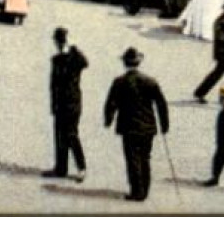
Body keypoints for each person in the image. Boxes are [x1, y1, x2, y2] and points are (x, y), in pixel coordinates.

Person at [104, 47, 170, 202]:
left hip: (129, 127)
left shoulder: (120, 82)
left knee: (132, 159)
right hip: (148, 127)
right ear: (138, 63)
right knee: (145, 157)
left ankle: (136, 191)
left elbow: (111, 103)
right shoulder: (150, 81)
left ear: (125, 64)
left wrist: (108, 119)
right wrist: (164, 125)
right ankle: (145, 189)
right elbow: (161, 104)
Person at [43, 27, 88, 182]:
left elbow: (85, 62)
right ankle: (61, 168)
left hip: (73, 103)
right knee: (59, 135)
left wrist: (73, 47)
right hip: (60, 103)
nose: (59, 44)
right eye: (58, 41)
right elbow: (53, 84)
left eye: (60, 41)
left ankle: (81, 167)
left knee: (71, 135)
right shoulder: (56, 60)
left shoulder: (75, 58)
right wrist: (53, 104)